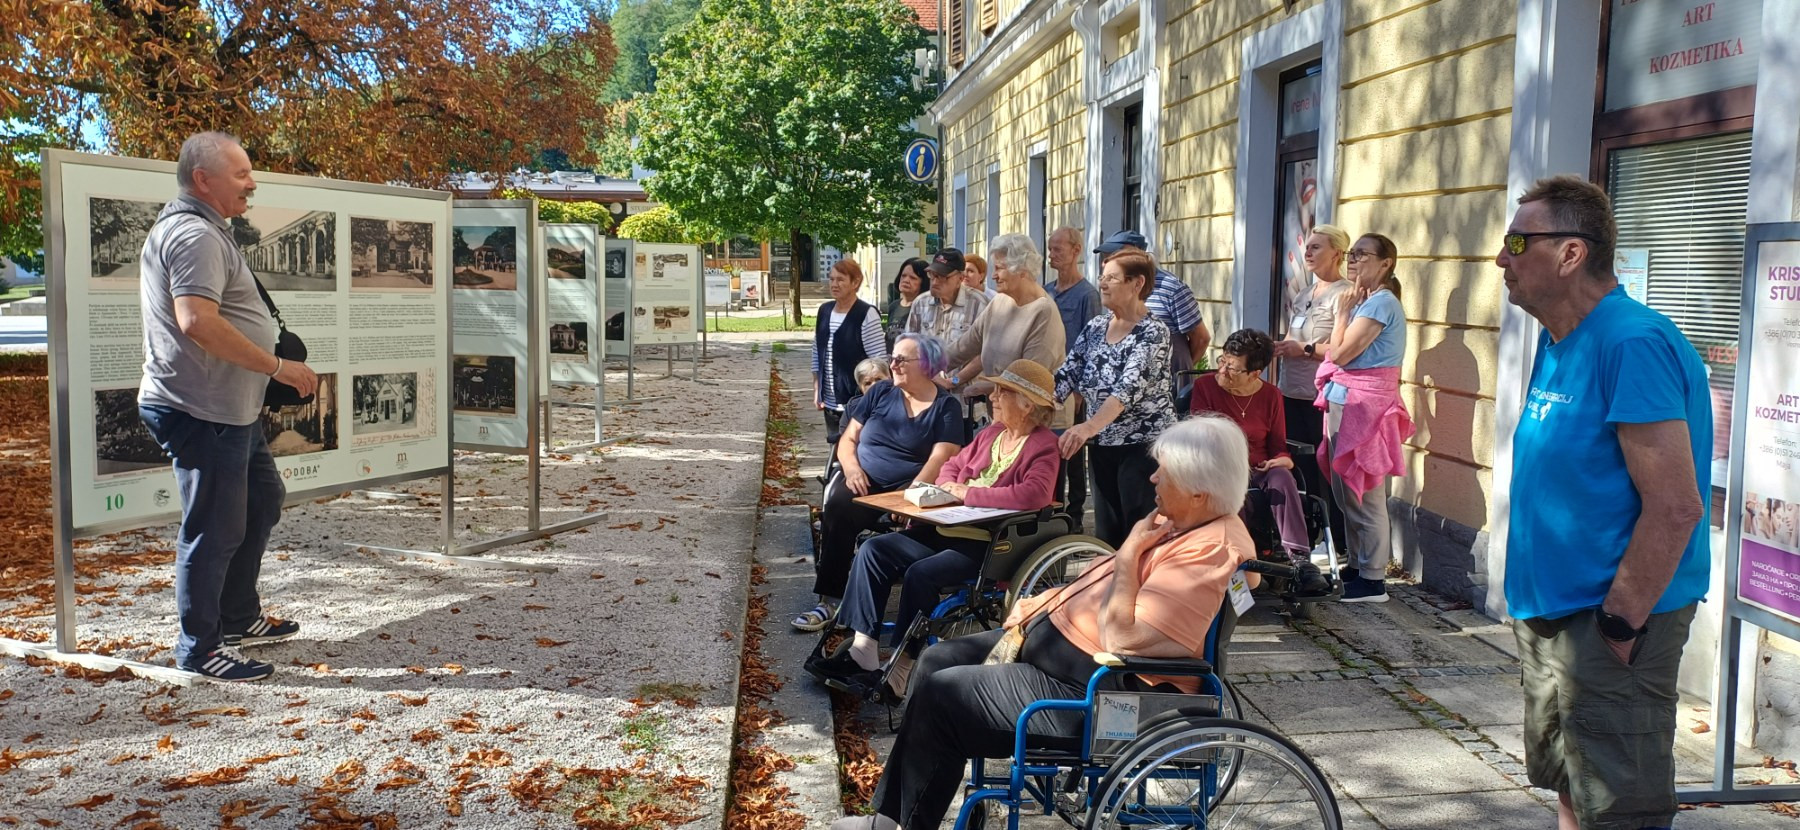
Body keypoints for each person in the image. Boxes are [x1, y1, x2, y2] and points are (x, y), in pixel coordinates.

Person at [828, 415, 1257, 830]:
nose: (1153, 479)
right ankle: (896, 815)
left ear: (1200, 492)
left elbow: (1124, 637)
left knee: (943, 695)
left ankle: (899, 823)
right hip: (1065, 656)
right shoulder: (1183, 520)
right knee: (937, 660)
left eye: (1164, 472)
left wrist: (1126, 557)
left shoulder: (1209, 549)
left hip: (1099, 692)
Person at [1498, 175, 1713, 830]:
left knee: (1619, 809)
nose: (1500, 259)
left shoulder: (1631, 343)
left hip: (1608, 622)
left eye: (1516, 241)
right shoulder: (1558, 339)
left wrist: (1620, 623)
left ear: (1570, 253)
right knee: (1572, 787)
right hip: (1552, 612)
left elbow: (1675, 505)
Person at [136, 131, 319, 682]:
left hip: (227, 410)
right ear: (202, 180)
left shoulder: (204, 230)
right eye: (240, 174)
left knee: (263, 499)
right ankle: (200, 646)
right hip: (203, 411)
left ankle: (238, 614)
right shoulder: (194, 235)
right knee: (213, 530)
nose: (252, 182)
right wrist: (276, 366)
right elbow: (197, 320)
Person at [808, 359, 1061, 700]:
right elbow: (950, 467)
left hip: (988, 542)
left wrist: (969, 494)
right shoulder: (991, 433)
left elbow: (1035, 494)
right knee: (873, 551)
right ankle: (863, 650)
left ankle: (900, 668)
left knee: (920, 574)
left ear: (1027, 404)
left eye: (1003, 391)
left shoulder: (1043, 445)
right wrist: (951, 488)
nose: (994, 396)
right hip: (947, 527)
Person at [793, 333, 965, 632]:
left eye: (901, 359)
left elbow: (943, 456)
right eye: (892, 358)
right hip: (865, 479)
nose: (893, 364)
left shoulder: (945, 406)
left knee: (919, 531)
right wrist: (851, 469)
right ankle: (830, 600)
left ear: (925, 365)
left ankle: (912, 608)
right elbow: (848, 439)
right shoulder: (880, 392)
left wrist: (912, 493)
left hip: (912, 484)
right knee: (837, 507)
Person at [1190, 328, 1329, 595]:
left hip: (1259, 468)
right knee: (1231, 489)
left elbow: (1278, 446)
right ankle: (1240, 559)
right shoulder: (1205, 387)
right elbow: (1200, 436)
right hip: (1221, 468)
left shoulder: (1271, 396)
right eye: (1223, 361)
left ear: (1255, 373)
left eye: (1233, 368)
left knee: (1282, 478)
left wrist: (1283, 460)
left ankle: (1301, 562)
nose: (1223, 371)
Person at [1053, 250, 1176, 548]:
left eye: (1111, 278)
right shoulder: (1096, 326)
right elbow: (1067, 373)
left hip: (1143, 446)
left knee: (1137, 529)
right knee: (1107, 532)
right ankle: (1109, 588)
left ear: (1137, 284)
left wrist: (1085, 428)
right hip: (1101, 443)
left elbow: (1126, 391)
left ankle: (1143, 591)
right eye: (1102, 277)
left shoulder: (1153, 332)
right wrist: (1032, 404)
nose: (1103, 284)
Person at [1316, 232, 1411, 603]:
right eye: (1352, 254)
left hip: (1365, 407)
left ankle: (1373, 579)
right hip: (1346, 400)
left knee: (1365, 492)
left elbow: (1338, 354)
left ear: (1386, 263)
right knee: (1345, 492)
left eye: (1362, 255)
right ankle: (1356, 566)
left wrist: (1340, 315)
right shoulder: (1364, 301)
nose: (1353, 260)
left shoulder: (1380, 304)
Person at [1271, 224, 1353, 554]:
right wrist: (1282, 347)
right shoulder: (1305, 293)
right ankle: (1308, 536)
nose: (1308, 252)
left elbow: (1343, 348)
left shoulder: (1343, 294)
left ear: (1337, 253)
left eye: (1317, 247)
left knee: (1325, 471)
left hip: (1322, 397)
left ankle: (1339, 542)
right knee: (1298, 467)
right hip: (1290, 392)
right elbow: (1298, 336)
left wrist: (1304, 350)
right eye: (1308, 246)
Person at [942, 234, 1066, 402]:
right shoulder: (1000, 301)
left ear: (1021, 270)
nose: (993, 276)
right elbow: (964, 346)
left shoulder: (1043, 312)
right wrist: (925, 364)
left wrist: (986, 387)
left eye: (999, 268)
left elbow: (1029, 381)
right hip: (1004, 413)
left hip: (1035, 419)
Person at [1093, 230, 1210, 402]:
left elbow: (1201, 338)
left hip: (1165, 392)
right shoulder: (1117, 288)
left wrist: (1173, 370)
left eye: (1112, 255)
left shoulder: (1172, 288)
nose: (1105, 261)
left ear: (1133, 254)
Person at [1044, 226, 1101, 529]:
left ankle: (1075, 517)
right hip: (1049, 386)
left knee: (1074, 455)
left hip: (1075, 390)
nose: (1052, 255)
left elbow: (1092, 345)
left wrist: (1079, 393)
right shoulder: (1047, 291)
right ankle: (1052, 510)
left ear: (1076, 250)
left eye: (1058, 249)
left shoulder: (1087, 294)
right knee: (1051, 450)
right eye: (1050, 249)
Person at [812, 259, 888, 444]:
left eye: (840, 279)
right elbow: (817, 351)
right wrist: (817, 388)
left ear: (855, 282)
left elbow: (878, 362)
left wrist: (872, 397)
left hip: (858, 402)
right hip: (829, 401)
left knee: (855, 452)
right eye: (831, 279)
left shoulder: (866, 314)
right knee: (835, 450)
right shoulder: (825, 310)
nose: (834, 284)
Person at [906, 248, 988, 348]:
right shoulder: (921, 303)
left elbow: (985, 351)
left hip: (964, 364)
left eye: (942, 277)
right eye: (932, 275)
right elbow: (908, 344)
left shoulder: (979, 304)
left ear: (960, 278)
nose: (935, 282)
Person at [884, 258, 927, 349]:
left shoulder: (924, 308)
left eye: (913, 278)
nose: (906, 280)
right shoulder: (893, 306)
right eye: (903, 276)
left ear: (923, 283)